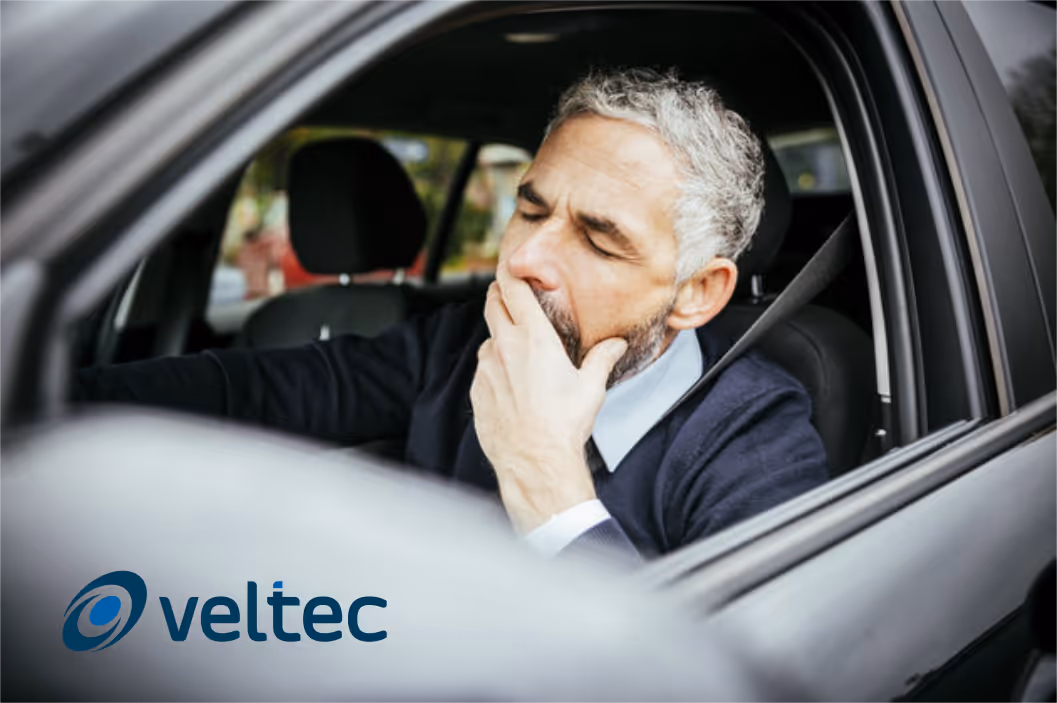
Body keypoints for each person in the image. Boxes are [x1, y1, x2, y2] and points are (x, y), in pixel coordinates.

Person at [75, 68, 827, 561]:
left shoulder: (754, 441)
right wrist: (50, 402)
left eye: (600, 240)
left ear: (696, 292)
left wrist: (545, 478)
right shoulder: (460, 344)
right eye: (529, 210)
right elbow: (259, 390)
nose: (525, 258)